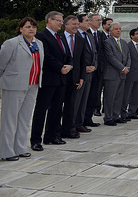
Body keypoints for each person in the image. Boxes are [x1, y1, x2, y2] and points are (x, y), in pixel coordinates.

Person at [0, 17, 44, 161]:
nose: (31, 29)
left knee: (25, 119)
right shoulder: (11, 43)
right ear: (20, 29)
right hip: (14, 86)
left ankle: (20, 147)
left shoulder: (39, 44)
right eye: (27, 26)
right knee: (10, 119)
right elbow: (2, 64)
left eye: (33, 26)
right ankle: (6, 151)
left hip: (32, 85)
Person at [31, 11, 72, 151]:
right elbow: (46, 56)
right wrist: (60, 67)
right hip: (49, 79)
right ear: (49, 20)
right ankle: (36, 139)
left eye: (61, 21)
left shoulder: (60, 37)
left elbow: (67, 54)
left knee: (56, 109)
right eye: (58, 20)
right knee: (41, 110)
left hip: (61, 79)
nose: (61, 23)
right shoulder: (42, 36)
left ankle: (52, 135)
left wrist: (69, 65)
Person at [60, 15, 88, 139]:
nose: (76, 26)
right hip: (61, 75)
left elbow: (83, 60)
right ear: (66, 25)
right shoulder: (59, 38)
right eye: (73, 24)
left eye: (77, 24)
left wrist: (82, 77)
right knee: (57, 104)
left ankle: (69, 128)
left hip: (75, 76)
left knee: (71, 104)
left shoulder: (80, 39)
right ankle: (56, 129)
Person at [102, 22, 131, 126]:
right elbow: (110, 57)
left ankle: (116, 115)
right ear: (110, 31)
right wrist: (121, 67)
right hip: (112, 74)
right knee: (110, 97)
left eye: (119, 29)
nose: (118, 31)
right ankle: (108, 117)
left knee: (119, 96)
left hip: (123, 74)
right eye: (116, 29)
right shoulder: (107, 42)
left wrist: (127, 67)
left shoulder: (123, 42)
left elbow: (128, 56)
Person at [75, 13, 97, 133]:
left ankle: (80, 123)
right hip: (81, 73)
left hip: (90, 73)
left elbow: (95, 53)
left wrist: (94, 66)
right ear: (79, 23)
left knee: (84, 100)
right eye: (86, 21)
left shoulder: (89, 35)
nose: (89, 22)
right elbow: (77, 57)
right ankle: (73, 124)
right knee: (77, 100)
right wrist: (84, 68)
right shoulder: (76, 35)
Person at [84, 13, 104, 127]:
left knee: (94, 95)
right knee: (86, 96)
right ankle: (82, 118)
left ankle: (88, 118)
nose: (99, 22)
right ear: (90, 21)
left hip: (98, 69)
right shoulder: (85, 34)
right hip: (87, 70)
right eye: (97, 20)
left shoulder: (99, 35)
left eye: (100, 20)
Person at [122, 28, 138, 120]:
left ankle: (132, 112)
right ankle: (123, 112)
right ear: (132, 36)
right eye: (137, 34)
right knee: (126, 95)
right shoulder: (128, 46)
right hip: (130, 74)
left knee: (136, 94)